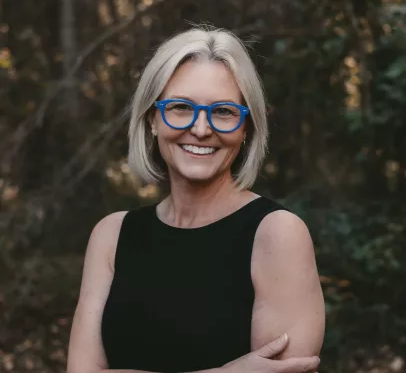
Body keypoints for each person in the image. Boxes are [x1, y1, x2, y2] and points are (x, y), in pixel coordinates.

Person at [67, 26, 325, 373]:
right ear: (153, 119)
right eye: (179, 107)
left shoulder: (277, 235)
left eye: (223, 112)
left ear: (246, 128)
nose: (201, 129)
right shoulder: (112, 236)